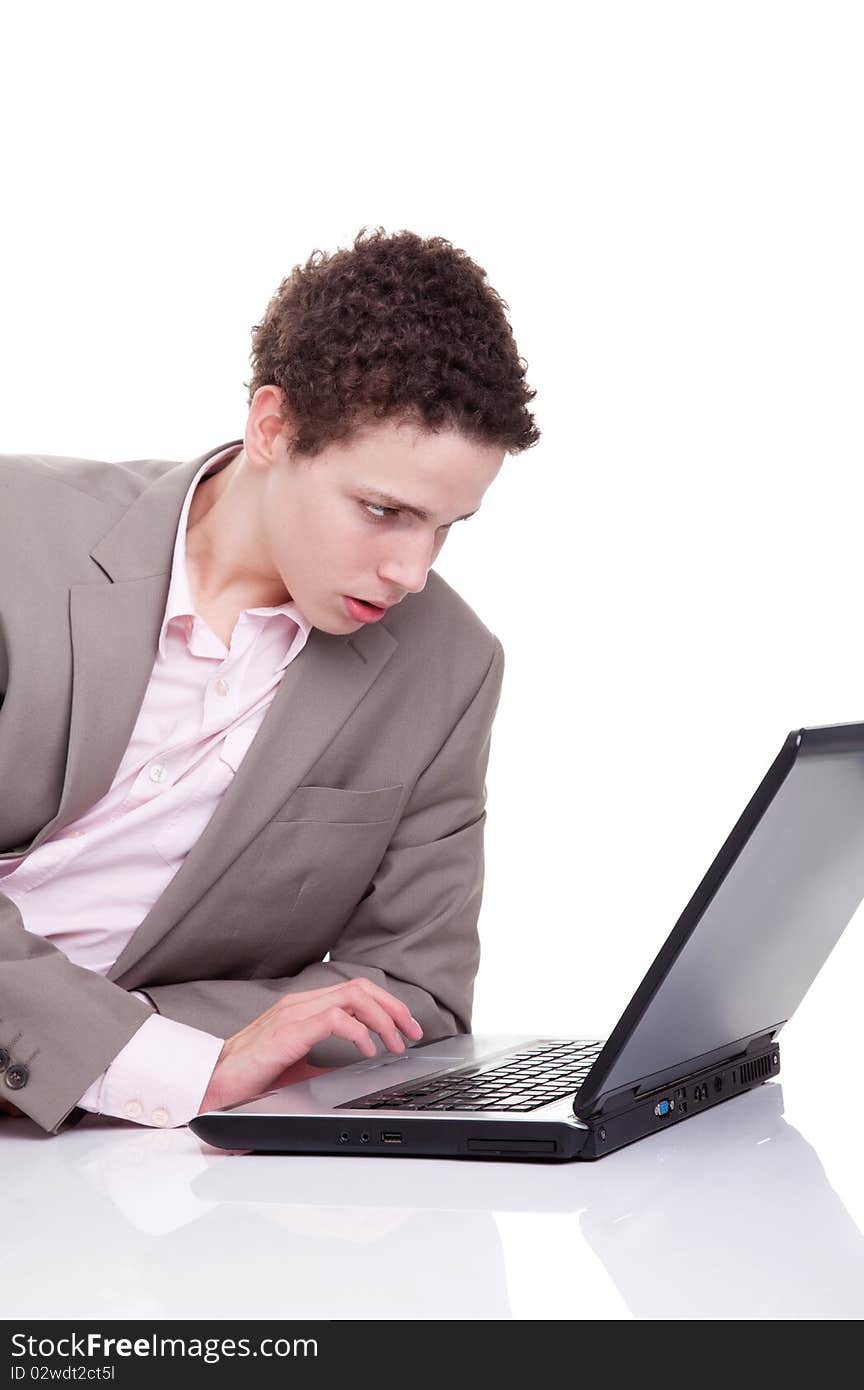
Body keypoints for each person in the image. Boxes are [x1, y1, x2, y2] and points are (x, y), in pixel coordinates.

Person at [0, 227, 539, 1133]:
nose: (412, 570)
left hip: (107, 1188)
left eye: (448, 526)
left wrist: (161, 1065)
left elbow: (415, 995)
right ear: (272, 428)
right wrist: (153, 1061)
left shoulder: (449, 665)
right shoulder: (16, 538)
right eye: (383, 511)